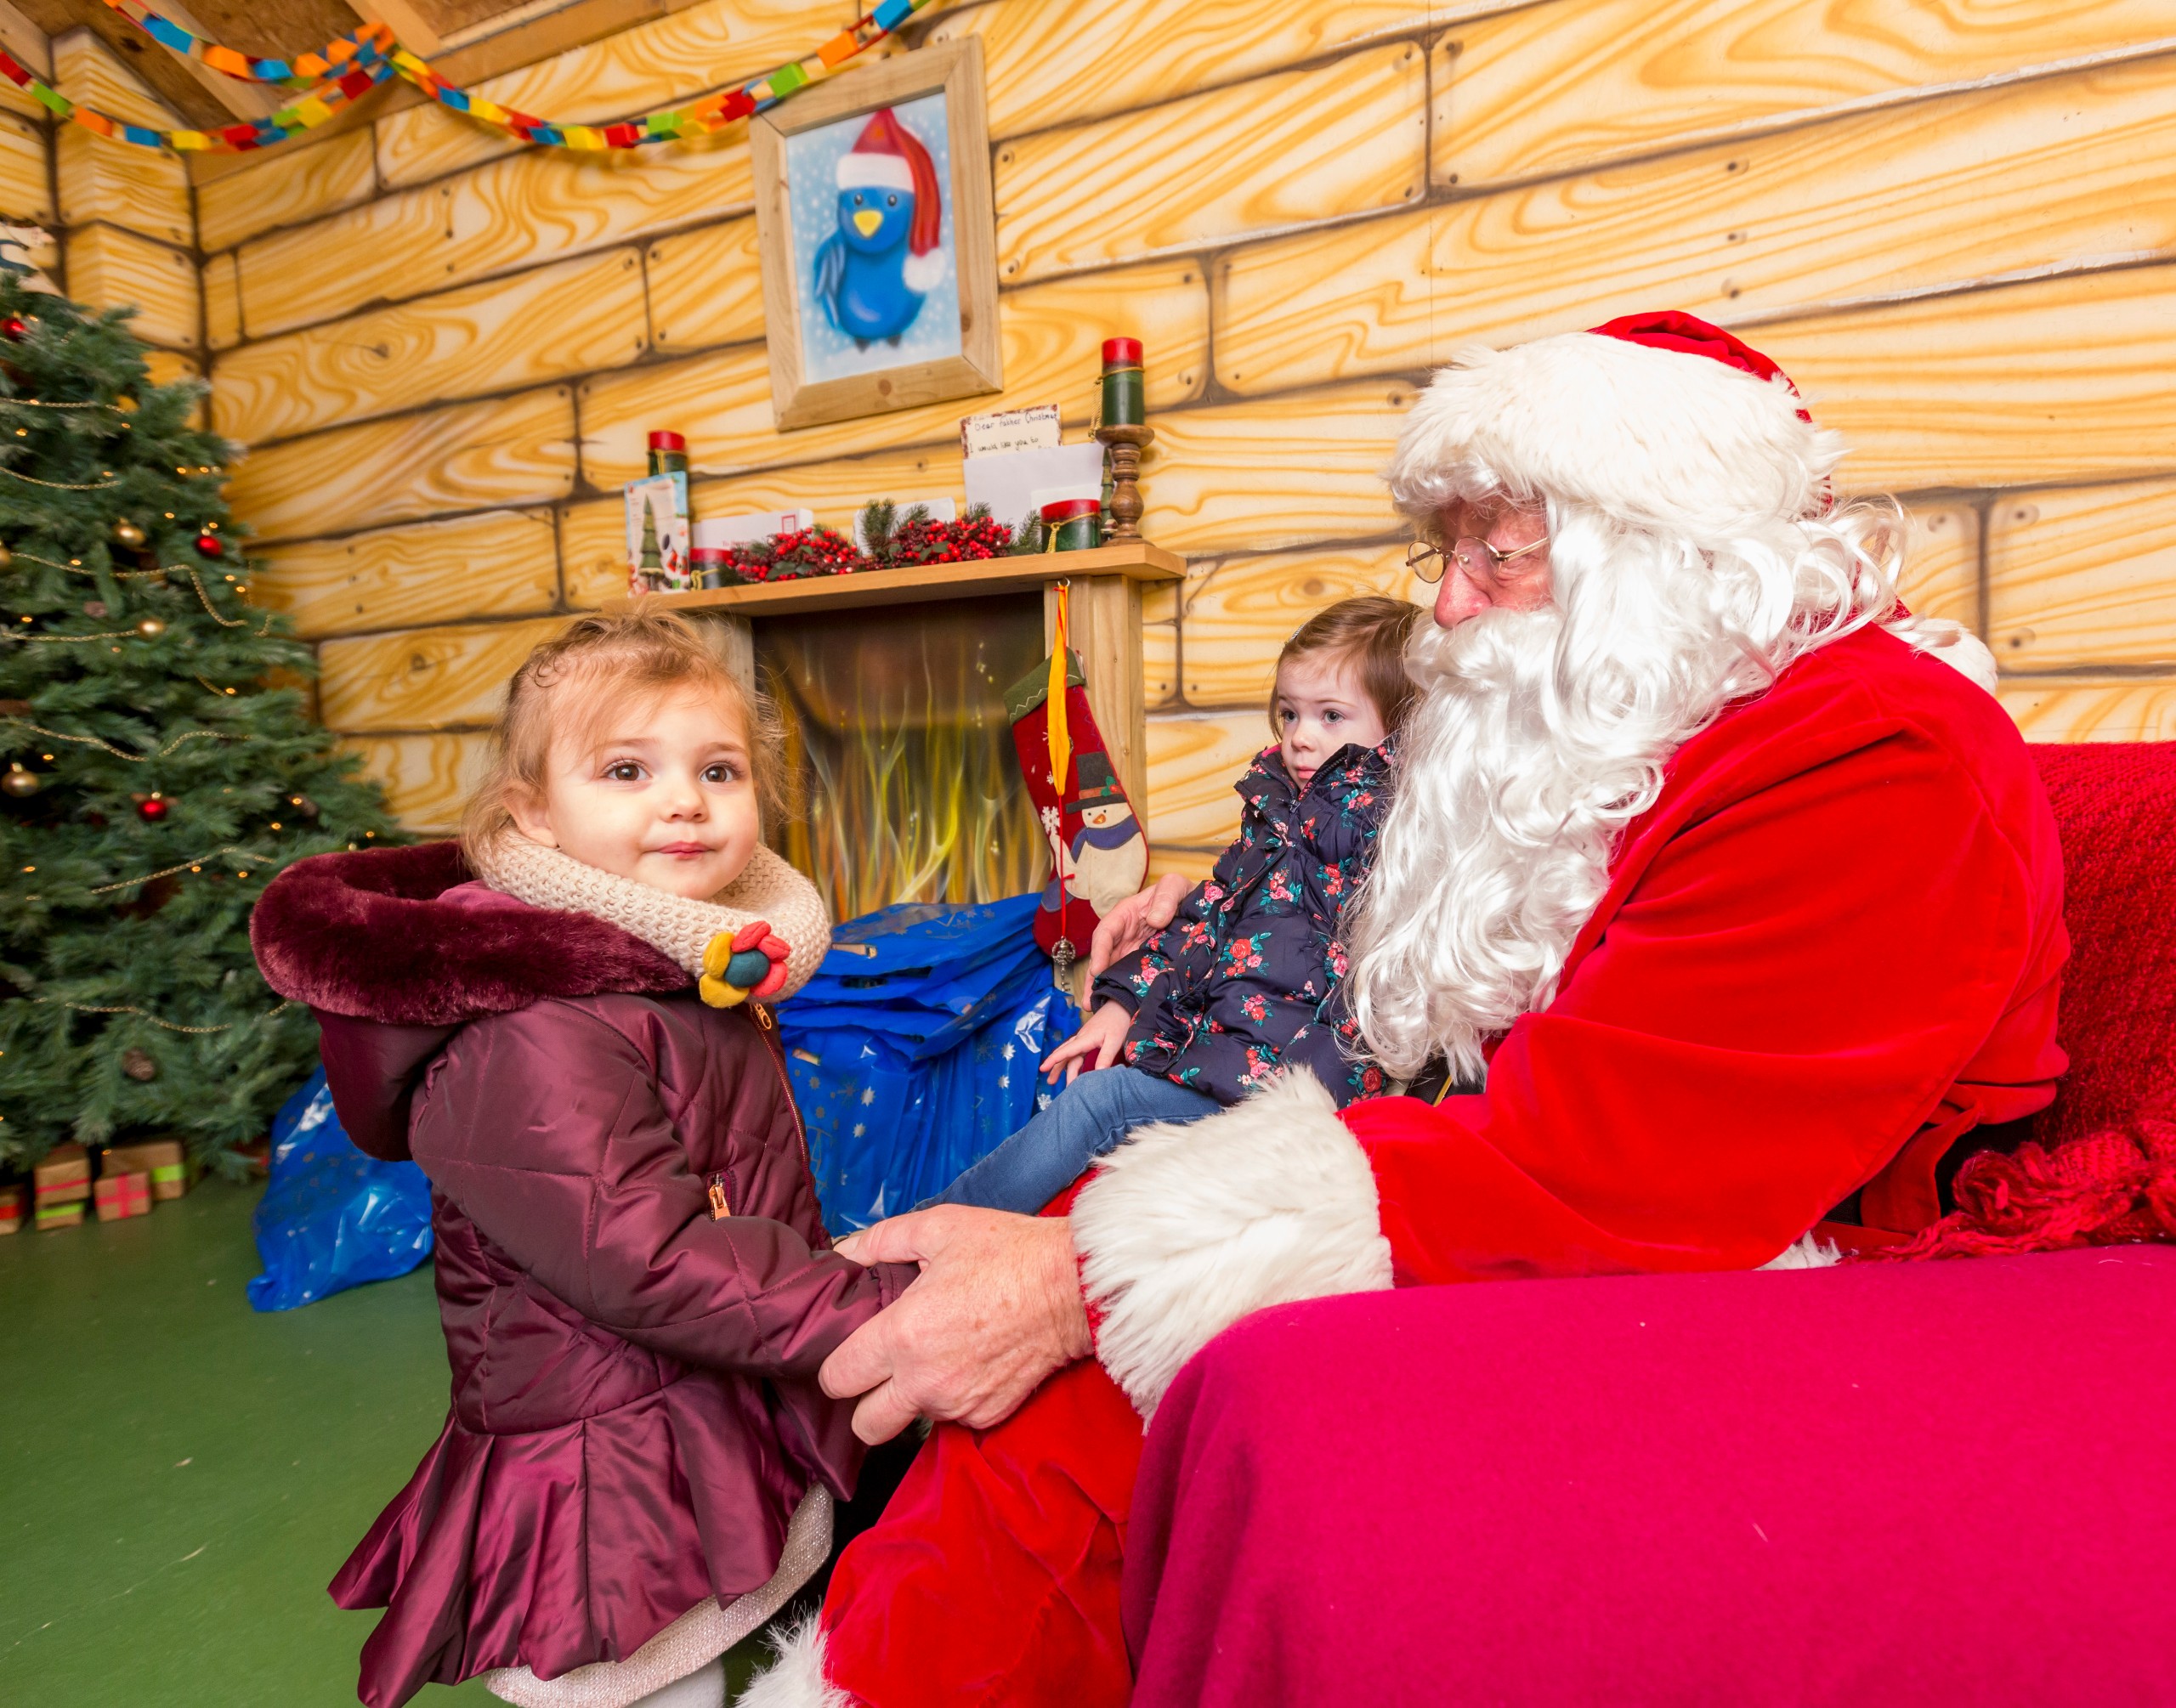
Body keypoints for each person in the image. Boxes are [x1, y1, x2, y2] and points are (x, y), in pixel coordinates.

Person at [734, 312, 2067, 1708]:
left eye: (1499, 554)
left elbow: (1612, 1165)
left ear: (1676, 556)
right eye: (1448, 556)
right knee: (1091, 1270)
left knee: (1099, 1349)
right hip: (1635, 1219)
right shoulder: (1660, 737)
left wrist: (1082, 1280)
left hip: (1797, 1301)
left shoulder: (1871, 757)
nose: (1447, 606)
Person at [251, 612, 917, 1708]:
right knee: (654, 1680)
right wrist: (877, 1308)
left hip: (688, 1397)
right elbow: (644, 1257)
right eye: (625, 769)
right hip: (601, 1466)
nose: (685, 801)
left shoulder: (678, 960)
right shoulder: (533, 1025)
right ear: (534, 818)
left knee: (729, 1635)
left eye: (718, 768)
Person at [925, 595, 1424, 1215]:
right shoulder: (1278, 817)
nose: (1300, 737)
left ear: (1399, 726)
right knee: (1086, 1084)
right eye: (1290, 713)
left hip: (1286, 1100)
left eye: (1330, 716)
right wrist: (1122, 1001)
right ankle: (954, 1237)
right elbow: (1207, 917)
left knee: (1099, 1104)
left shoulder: (1394, 838)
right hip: (1223, 1059)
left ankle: (928, 1234)